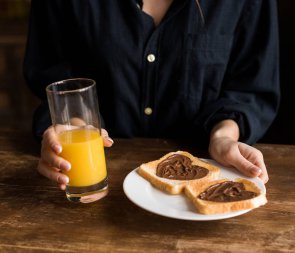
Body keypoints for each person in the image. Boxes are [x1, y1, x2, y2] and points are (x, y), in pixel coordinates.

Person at [24, 0, 280, 190]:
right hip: (97, 185)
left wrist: (224, 136)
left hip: (206, 181)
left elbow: (250, 86)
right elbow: (57, 79)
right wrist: (75, 128)